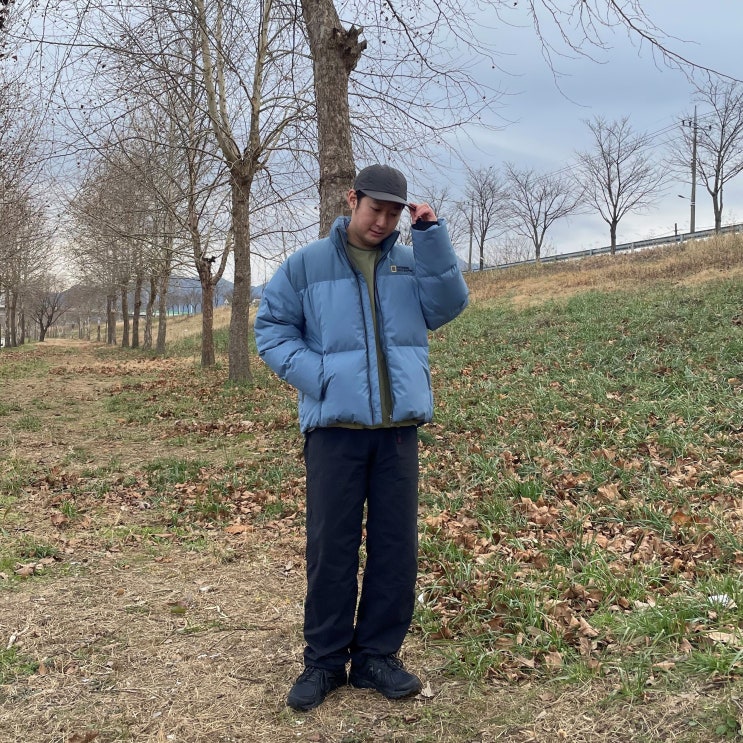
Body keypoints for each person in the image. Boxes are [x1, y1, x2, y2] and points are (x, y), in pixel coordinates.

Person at [254, 164, 468, 711]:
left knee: (395, 548)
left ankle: (377, 657)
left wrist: (431, 236)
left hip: (397, 433)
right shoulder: (306, 264)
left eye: (394, 213)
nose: (383, 221)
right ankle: (324, 662)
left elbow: (448, 305)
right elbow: (272, 329)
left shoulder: (409, 263)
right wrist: (320, 376)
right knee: (332, 547)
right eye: (376, 209)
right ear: (352, 199)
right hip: (334, 432)